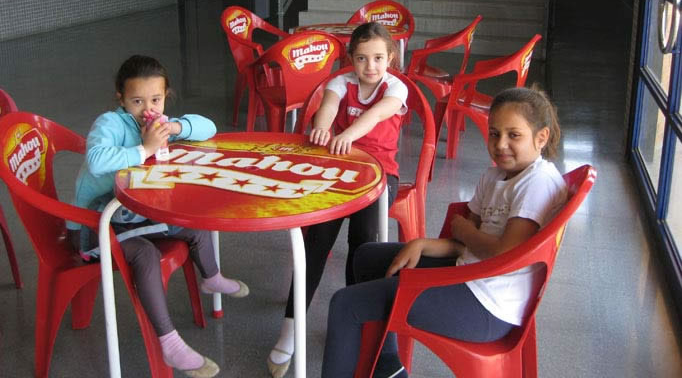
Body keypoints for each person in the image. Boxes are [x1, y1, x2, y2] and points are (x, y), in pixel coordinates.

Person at [321, 86, 568, 378]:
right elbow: (463, 243)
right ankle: (387, 365)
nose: (501, 144)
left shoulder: (537, 182)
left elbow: (503, 252)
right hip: (472, 275)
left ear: (541, 137)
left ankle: (374, 357)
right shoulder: (494, 175)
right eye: (494, 133)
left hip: (487, 307)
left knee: (345, 305)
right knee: (366, 257)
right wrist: (422, 244)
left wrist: (464, 230)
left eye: (514, 135)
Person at [69, 55, 249, 378]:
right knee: (145, 254)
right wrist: (145, 149)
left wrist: (176, 127)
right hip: (95, 224)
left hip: (132, 215)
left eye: (155, 99)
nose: (147, 108)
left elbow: (209, 128)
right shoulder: (110, 124)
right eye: (137, 101)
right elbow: (96, 160)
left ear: (166, 96)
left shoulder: (159, 123)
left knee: (192, 220)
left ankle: (211, 277)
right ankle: (169, 342)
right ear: (121, 99)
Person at [267, 22, 408, 378]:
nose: (370, 66)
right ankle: (290, 327)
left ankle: (352, 320)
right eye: (362, 58)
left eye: (378, 58)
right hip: (338, 170)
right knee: (315, 241)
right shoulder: (341, 83)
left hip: (379, 175)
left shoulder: (396, 87)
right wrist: (322, 126)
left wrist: (347, 135)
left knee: (363, 245)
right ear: (351, 59)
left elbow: (377, 115)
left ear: (390, 58)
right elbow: (327, 106)